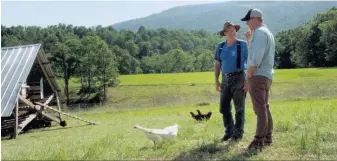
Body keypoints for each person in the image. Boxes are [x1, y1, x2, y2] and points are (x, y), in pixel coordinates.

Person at [241, 8, 275, 150]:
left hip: (258, 74)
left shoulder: (260, 33)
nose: (247, 23)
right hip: (266, 75)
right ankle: (267, 137)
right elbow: (255, 51)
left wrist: (249, 73)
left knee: (260, 109)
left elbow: (256, 58)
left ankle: (258, 141)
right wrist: (249, 41)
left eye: (248, 20)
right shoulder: (267, 32)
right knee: (265, 106)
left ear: (254, 19)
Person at [214, 21, 249, 142]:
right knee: (224, 108)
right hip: (225, 78)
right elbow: (217, 64)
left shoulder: (243, 45)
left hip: (239, 77)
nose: (232, 31)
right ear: (224, 33)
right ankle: (229, 131)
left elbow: (250, 62)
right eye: (229, 30)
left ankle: (238, 134)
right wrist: (216, 81)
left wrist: (247, 81)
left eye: (233, 29)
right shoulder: (220, 46)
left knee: (239, 108)